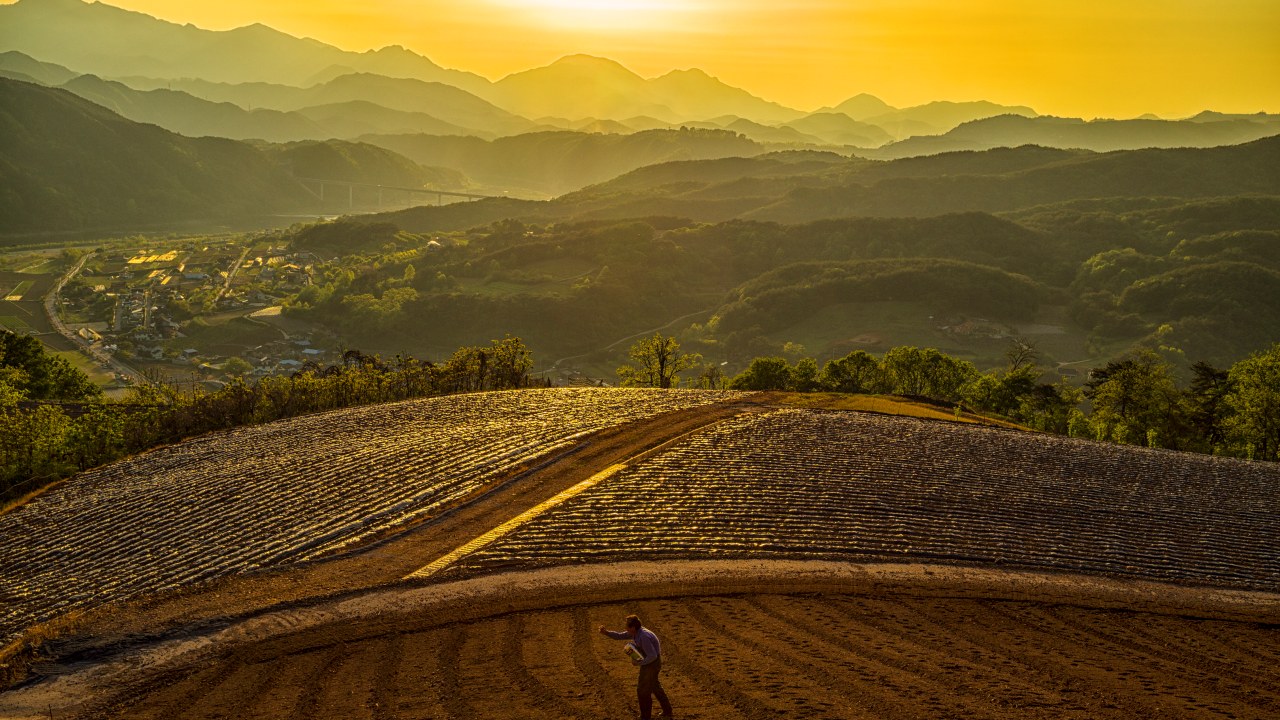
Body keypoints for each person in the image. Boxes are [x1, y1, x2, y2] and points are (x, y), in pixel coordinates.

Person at [599, 614, 674, 719]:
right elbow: (620, 636)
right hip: (650, 662)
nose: (625, 629)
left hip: (652, 663)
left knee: (642, 690)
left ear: (633, 627)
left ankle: (645, 716)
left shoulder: (643, 636)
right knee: (654, 686)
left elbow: (652, 656)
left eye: (627, 627)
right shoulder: (636, 632)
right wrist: (606, 633)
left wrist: (639, 663)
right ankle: (667, 710)